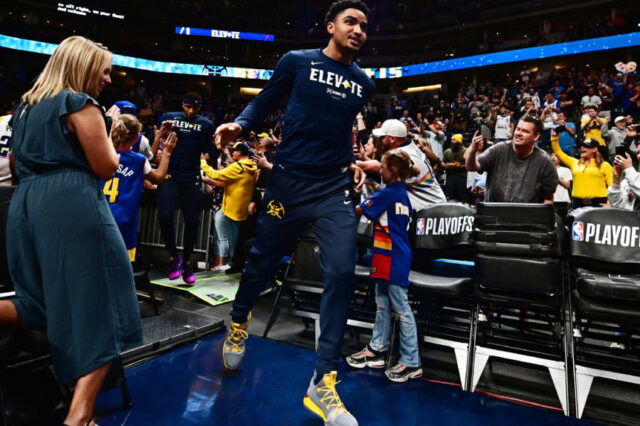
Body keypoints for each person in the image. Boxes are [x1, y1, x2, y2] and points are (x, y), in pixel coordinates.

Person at [213, 2, 374, 425]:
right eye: (350, 22)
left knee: (341, 269)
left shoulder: (363, 82)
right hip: (288, 181)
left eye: (363, 26)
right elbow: (266, 100)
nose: (358, 30)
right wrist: (241, 125)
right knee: (263, 261)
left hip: (332, 188)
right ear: (330, 27)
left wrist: (353, 160)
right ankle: (239, 319)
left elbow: (340, 128)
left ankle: (323, 381)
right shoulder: (297, 62)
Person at [0, 36, 142, 426]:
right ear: (83, 67)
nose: (108, 79)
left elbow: (14, 166)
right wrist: (110, 126)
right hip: (72, 204)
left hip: (24, 206)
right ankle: (78, 417)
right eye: (105, 70)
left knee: (37, 303)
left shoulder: (23, 109)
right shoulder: (79, 103)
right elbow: (107, 167)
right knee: (110, 306)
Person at [346, 150, 422, 382]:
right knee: (382, 305)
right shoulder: (402, 194)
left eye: (383, 167)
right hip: (386, 255)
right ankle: (378, 349)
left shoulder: (388, 193)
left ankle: (411, 362)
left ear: (394, 171)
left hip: (392, 257)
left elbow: (355, 212)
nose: (380, 170)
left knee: (401, 309)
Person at [154, 92, 216, 284]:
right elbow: (154, 145)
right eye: (188, 107)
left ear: (199, 108)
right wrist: (160, 136)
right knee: (164, 215)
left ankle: (187, 262)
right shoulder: (168, 118)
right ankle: (174, 258)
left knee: (193, 221)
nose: (190, 111)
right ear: (182, 104)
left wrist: (217, 146)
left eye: (194, 108)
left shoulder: (206, 125)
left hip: (191, 176)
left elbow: (211, 154)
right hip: (170, 174)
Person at [101, 114, 177, 262]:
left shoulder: (101, 154)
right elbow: (159, 177)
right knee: (120, 266)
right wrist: (167, 152)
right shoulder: (138, 160)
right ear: (137, 137)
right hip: (123, 219)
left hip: (98, 216)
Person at [465, 115, 558, 203]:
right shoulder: (498, 149)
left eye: (525, 131)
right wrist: (473, 150)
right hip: (494, 214)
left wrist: (542, 219)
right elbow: (471, 167)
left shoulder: (545, 161)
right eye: (518, 129)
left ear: (536, 137)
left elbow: (548, 198)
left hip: (527, 217)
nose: (518, 133)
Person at [200, 141, 258, 271]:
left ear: (239, 152)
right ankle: (236, 263)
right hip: (242, 208)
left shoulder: (238, 166)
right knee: (239, 239)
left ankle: (233, 264)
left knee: (233, 239)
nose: (232, 153)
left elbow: (216, 175)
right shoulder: (251, 166)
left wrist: (203, 162)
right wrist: (208, 181)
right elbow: (227, 184)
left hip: (233, 208)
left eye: (234, 151)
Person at [366, 119, 446, 209]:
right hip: (431, 205)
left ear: (392, 139)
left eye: (382, 137)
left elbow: (383, 178)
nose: (380, 140)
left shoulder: (401, 156)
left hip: (432, 212)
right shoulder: (409, 147)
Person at [551, 133, 613, 208]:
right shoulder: (574, 162)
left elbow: (612, 186)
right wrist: (554, 137)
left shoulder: (604, 165)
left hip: (598, 204)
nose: (582, 148)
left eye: (586, 146)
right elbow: (558, 152)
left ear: (594, 149)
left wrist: (610, 203)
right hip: (578, 204)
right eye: (582, 146)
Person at [442, 134, 468, 201]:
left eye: (454, 139)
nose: (451, 141)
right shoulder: (447, 151)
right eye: (451, 140)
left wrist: (461, 166)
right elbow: (443, 163)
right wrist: (445, 165)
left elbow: (468, 165)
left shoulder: (466, 151)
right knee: (450, 197)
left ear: (459, 141)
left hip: (461, 177)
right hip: (450, 177)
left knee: (461, 197)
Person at [551, 153, 572, 220]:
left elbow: (567, 185)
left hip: (562, 200)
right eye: (551, 155)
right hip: (550, 200)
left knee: (562, 221)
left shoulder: (566, 170)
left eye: (556, 156)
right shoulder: (546, 169)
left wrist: (556, 177)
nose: (553, 158)